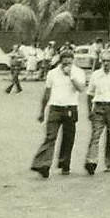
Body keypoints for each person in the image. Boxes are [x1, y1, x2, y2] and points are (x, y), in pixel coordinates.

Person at [31, 48, 87, 177]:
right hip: (55, 108)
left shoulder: (78, 72)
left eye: (69, 63)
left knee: (68, 138)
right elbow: (47, 93)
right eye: (64, 63)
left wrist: (71, 76)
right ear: (60, 62)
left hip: (70, 108)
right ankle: (43, 165)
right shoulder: (52, 73)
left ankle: (64, 164)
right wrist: (42, 111)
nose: (66, 65)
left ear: (73, 62)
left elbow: (81, 88)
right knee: (50, 137)